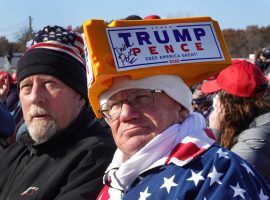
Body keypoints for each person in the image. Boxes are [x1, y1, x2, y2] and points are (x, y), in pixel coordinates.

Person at [83, 18, 270, 199]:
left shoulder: (219, 172)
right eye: (113, 105)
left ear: (180, 108)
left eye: (141, 97)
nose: (125, 114)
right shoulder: (115, 180)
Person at [0, 25, 115, 199]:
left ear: (80, 97)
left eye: (49, 84)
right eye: (26, 87)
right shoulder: (18, 150)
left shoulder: (95, 156)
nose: (35, 97)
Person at [201, 59, 270, 183]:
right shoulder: (248, 122)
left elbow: (217, 183)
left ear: (227, 102)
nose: (214, 99)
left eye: (217, 93)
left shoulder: (255, 138)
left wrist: (214, 132)